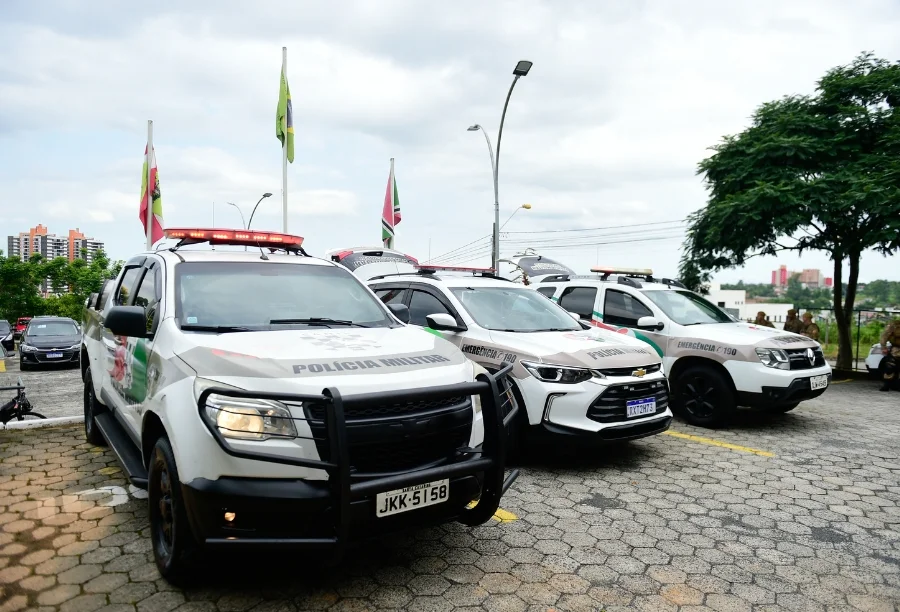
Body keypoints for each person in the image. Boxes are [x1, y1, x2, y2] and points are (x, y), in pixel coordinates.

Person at [879, 318, 900, 392]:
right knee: (890, 366)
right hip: (896, 350)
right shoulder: (895, 325)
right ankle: (886, 384)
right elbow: (884, 335)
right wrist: (883, 347)